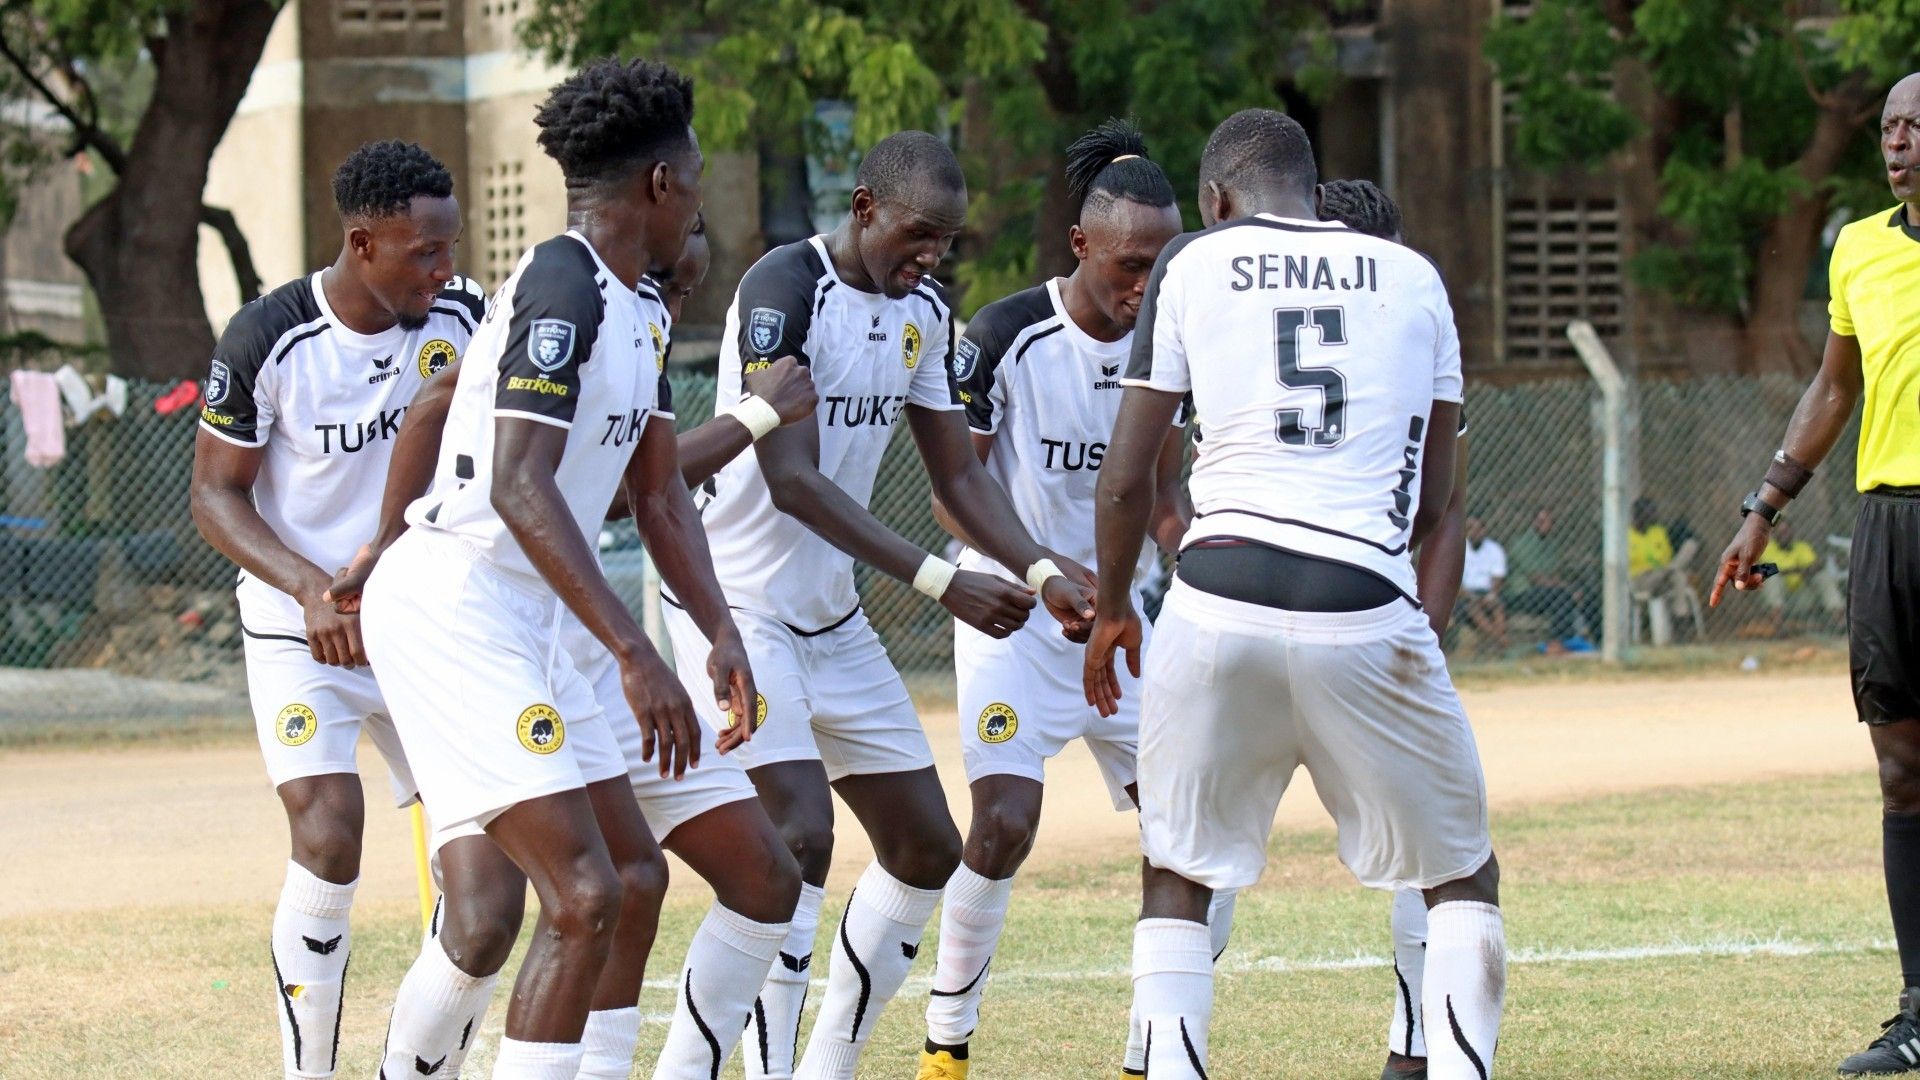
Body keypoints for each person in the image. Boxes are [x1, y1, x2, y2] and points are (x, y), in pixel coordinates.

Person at [334, 210, 820, 1078]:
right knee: (538, 904)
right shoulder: (564, 277)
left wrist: (717, 633)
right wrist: (380, 546)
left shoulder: (644, 316)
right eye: (694, 196)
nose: (688, 279)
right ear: (661, 185)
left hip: (554, 622)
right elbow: (476, 444)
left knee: (647, 880)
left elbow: (660, 493)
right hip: (466, 610)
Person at [1085, 109, 1505, 1080]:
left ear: (1215, 200)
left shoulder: (1193, 265)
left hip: (1214, 593)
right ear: (1313, 194)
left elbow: (1125, 477)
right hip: (1362, 597)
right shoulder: (1414, 279)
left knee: (1178, 874)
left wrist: (1112, 610)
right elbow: (1436, 498)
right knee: (1460, 877)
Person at [668, 128, 1094, 1080]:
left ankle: (828, 1065)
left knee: (925, 847)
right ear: (864, 209)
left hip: (829, 612)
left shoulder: (927, 315)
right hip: (734, 602)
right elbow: (791, 481)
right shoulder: (785, 285)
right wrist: (942, 582)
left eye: (945, 241)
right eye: (916, 234)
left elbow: (962, 477)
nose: (931, 256)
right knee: (800, 839)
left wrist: (1038, 570)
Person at [908, 119, 1218, 1080]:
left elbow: (1163, 498)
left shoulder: (1173, 342)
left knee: (1192, 833)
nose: (1146, 285)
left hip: (1123, 624)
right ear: (1081, 244)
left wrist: (1202, 548)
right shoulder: (1005, 333)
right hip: (1018, 618)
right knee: (1001, 825)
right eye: (1132, 264)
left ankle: (1149, 1053)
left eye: (1163, 266)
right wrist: (1044, 568)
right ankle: (946, 1046)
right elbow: (958, 489)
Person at [188, 139, 491, 1080]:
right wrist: (310, 588)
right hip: (299, 623)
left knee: (485, 870)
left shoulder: (466, 318)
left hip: (422, 625)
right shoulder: (267, 337)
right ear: (363, 243)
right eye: (423, 253)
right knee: (328, 832)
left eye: (450, 249)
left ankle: (417, 1063)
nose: (444, 272)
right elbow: (214, 496)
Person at [1711, 71, 1920, 1076]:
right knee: (1902, 769)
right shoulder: (1862, 249)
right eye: (1889, 128)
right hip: (1890, 527)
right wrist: (1763, 509)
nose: (1899, 143)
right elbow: (1835, 389)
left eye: (1917, 127)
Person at [1321, 175, 1476, 1080]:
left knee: (1434, 840)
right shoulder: (1412, 307)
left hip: (1361, 612)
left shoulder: (1416, 321)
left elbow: (1446, 505)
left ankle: (1413, 1050)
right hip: (1296, 609)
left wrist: (1429, 633)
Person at [1502, 508, 1593, 646]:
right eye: (1541, 521)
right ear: (1534, 522)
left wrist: (1571, 589)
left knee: (1587, 594)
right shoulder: (1522, 543)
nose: (1545, 524)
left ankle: (1596, 639)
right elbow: (1536, 579)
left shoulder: (1552, 545)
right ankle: (1561, 640)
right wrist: (1567, 589)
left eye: (1549, 521)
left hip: (1549, 591)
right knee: (1562, 595)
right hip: (1522, 593)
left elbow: (1555, 574)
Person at [1457, 516, 1508, 651]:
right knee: (1473, 607)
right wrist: (1469, 596)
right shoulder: (1458, 549)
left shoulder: (1494, 549)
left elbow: (1498, 577)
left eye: (1478, 529)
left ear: (1484, 530)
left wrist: (1492, 595)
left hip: (1487, 592)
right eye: (1471, 529)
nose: (1475, 532)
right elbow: (1455, 583)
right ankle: (1501, 640)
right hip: (1465, 595)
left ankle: (1497, 641)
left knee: (1496, 605)